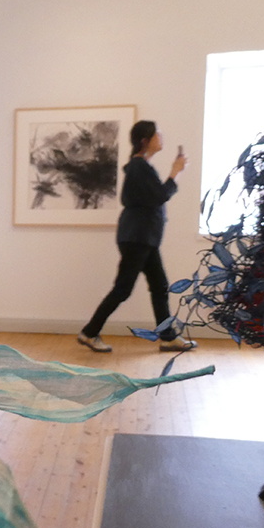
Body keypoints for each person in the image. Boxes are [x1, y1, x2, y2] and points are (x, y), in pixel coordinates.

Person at [77, 119, 196, 353]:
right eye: (157, 134)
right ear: (145, 141)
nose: (161, 137)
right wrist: (175, 172)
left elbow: (152, 198)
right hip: (138, 237)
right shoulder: (139, 166)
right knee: (123, 288)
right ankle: (89, 333)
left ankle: (168, 337)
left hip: (144, 238)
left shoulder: (141, 167)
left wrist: (175, 173)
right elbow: (160, 196)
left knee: (159, 287)